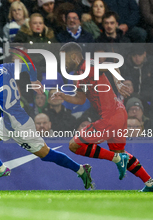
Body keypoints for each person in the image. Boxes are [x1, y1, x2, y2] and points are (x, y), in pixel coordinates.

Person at [0, 49, 93, 189]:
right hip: (7, 121)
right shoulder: (5, 67)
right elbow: (30, 66)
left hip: (20, 125)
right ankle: (0, 169)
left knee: (46, 154)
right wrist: (34, 79)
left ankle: (81, 170)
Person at [52, 42, 153, 192]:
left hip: (111, 116)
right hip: (118, 114)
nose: (62, 63)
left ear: (73, 57)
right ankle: (150, 183)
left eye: (64, 59)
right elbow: (80, 99)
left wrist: (118, 82)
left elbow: (112, 66)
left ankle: (117, 159)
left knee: (75, 144)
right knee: (121, 154)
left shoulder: (88, 65)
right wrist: (63, 96)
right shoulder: (77, 77)